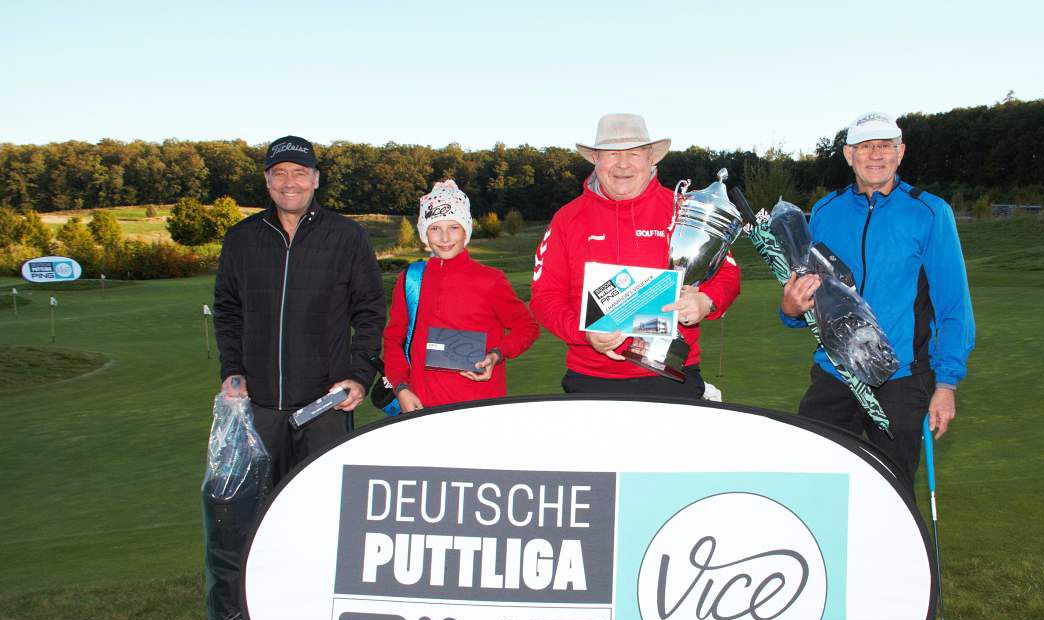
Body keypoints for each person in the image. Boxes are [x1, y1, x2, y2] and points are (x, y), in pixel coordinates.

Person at [781, 111, 975, 489]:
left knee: (892, 492)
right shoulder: (824, 211)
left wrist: (947, 384)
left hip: (901, 379)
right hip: (835, 374)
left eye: (885, 146)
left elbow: (954, 307)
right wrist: (790, 310)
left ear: (900, 152)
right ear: (848, 154)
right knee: (814, 486)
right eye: (865, 146)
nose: (875, 155)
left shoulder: (930, 212)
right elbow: (806, 293)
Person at [214, 135, 386, 486]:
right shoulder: (241, 238)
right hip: (259, 407)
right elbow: (228, 310)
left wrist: (359, 376)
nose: (289, 182)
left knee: (322, 504)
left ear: (315, 179)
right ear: (267, 181)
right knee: (261, 508)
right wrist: (232, 370)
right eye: (279, 173)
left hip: (326, 406)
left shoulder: (348, 236)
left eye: (299, 172)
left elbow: (370, 312)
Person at [529, 113, 741, 397]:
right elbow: (544, 297)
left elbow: (728, 274)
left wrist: (706, 301)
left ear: (651, 158)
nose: (623, 164)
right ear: (596, 160)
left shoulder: (684, 209)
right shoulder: (566, 219)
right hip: (591, 378)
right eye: (612, 154)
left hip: (672, 376)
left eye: (634, 153)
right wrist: (584, 334)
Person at [381, 180, 539, 410]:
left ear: (466, 230)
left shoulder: (490, 280)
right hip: (421, 408)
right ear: (425, 233)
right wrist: (401, 388)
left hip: (479, 408)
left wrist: (496, 354)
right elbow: (394, 338)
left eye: (453, 227)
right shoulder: (411, 279)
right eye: (435, 228)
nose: (445, 238)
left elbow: (527, 327)